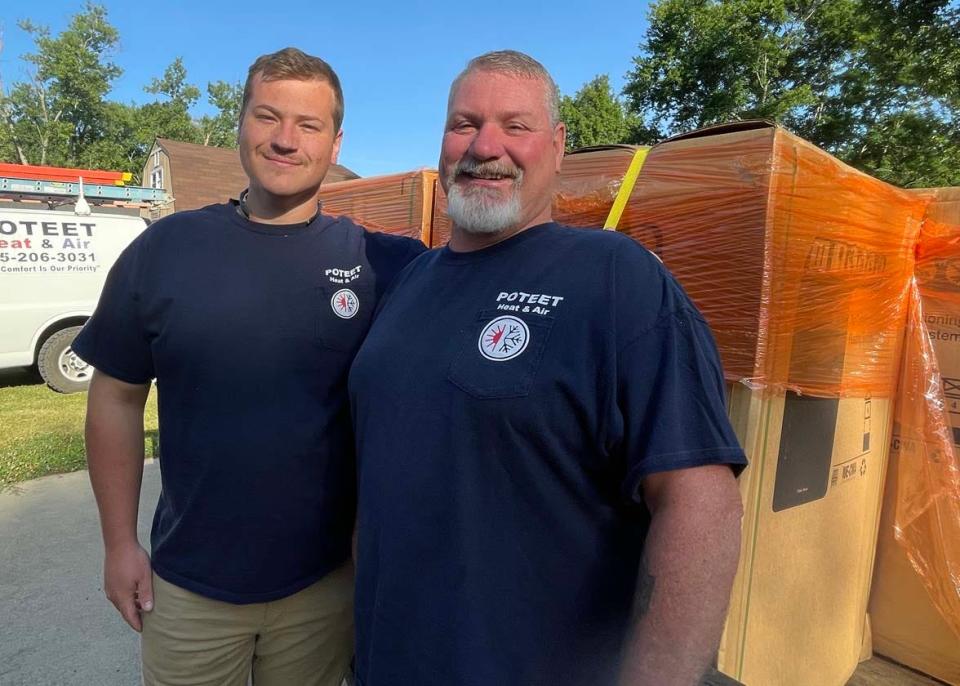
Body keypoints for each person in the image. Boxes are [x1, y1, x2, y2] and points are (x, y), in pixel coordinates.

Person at [348, 50, 747, 686]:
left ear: (558, 146)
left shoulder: (614, 277)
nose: (486, 147)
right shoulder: (413, 280)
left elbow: (701, 504)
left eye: (516, 126)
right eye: (464, 124)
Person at [75, 47, 425, 686]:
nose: (286, 140)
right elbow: (116, 398)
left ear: (335, 140)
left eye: (308, 125)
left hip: (322, 590)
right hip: (189, 589)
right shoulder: (165, 251)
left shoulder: (384, 265)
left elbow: (486, 278)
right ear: (240, 124)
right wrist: (119, 543)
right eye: (268, 117)